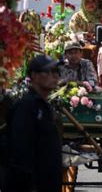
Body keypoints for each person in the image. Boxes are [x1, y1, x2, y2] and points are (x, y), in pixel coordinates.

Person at [5, 55, 62, 192]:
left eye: (56, 72)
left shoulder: (44, 106)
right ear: (34, 76)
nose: (54, 76)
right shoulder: (26, 106)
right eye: (48, 72)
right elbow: (20, 150)